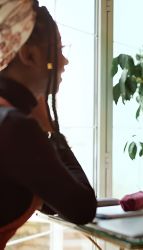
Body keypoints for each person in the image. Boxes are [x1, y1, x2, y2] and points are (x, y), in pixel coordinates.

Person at [0, 0, 97, 248]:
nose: (64, 62)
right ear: (28, 54)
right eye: (58, 49)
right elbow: (82, 207)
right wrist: (52, 132)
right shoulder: (15, 127)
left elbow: (51, 199)